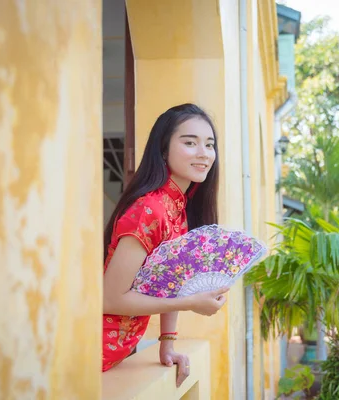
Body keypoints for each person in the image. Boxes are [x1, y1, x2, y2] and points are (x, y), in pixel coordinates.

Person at [102, 103, 229, 387]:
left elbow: (167, 280)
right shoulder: (150, 210)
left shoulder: (177, 208)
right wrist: (192, 302)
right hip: (91, 351)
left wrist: (167, 343)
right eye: (189, 142)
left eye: (209, 145)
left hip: (115, 356)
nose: (203, 153)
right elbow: (109, 298)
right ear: (163, 149)